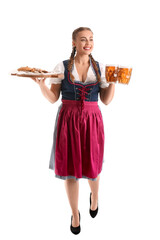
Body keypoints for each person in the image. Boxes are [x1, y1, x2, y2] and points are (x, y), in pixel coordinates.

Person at [31, 27, 115, 235]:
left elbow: (106, 101)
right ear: (74, 42)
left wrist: (113, 81)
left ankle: (94, 197)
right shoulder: (62, 66)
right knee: (70, 168)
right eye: (83, 39)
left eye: (91, 39)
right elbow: (53, 99)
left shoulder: (101, 68)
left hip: (92, 120)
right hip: (68, 121)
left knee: (92, 166)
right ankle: (75, 213)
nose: (88, 43)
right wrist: (42, 85)